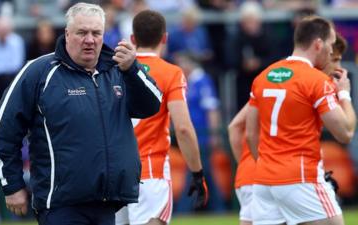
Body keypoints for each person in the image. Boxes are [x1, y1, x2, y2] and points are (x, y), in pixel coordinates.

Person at [0, 3, 162, 225]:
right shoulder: (39, 71)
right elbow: (2, 132)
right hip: (61, 205)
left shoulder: (119, 70)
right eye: (82, 32)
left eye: (96, 33)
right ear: (67, 34)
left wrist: (133, 70)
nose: (89, 39)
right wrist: (12, 185)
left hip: (108, 202)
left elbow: (151, 106)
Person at [228, 33, 350, 225]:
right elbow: (345, 132)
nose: (338, 67)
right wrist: (344, 95)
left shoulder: (279, 80)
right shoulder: (308, 83)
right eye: (335, 59)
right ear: (321, 51)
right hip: (279, 173)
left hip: (262, 175)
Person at [115, 10, 207, 225]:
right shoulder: (170, 73)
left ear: (133, 39)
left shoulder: (114, 70)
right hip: (149, 170)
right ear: (164, 38)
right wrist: (197, 172)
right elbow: (183, 128)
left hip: (115, 172)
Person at [174, 53, 226, 213]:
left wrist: (213, 135)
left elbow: (212, 110)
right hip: (194, 137)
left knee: (194, 173)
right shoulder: (191, 83)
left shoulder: (202, 81)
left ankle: (183, 211)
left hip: (201, 137)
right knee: (205, 173)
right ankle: (219, 209)